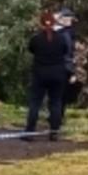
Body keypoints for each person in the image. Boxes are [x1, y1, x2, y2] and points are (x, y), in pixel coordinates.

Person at [22, 10, 71, 141]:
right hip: (58, 74)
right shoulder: (61, 38)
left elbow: (31, 50)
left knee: (35, 103)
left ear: (41, 24)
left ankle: (29, 131)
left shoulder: (36, 39)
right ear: (54, 23)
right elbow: (66, 51)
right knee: (55, 103)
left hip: (40, 74)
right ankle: (54, 131)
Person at [55, 8, 82, 115]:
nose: (71, 21)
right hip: (60, 67)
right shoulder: (63, 33)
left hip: (58, 66)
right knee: (59, 94)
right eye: (69, 18)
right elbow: (67, 54)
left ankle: (56, 116)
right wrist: (72, 71)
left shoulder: (66, 33)